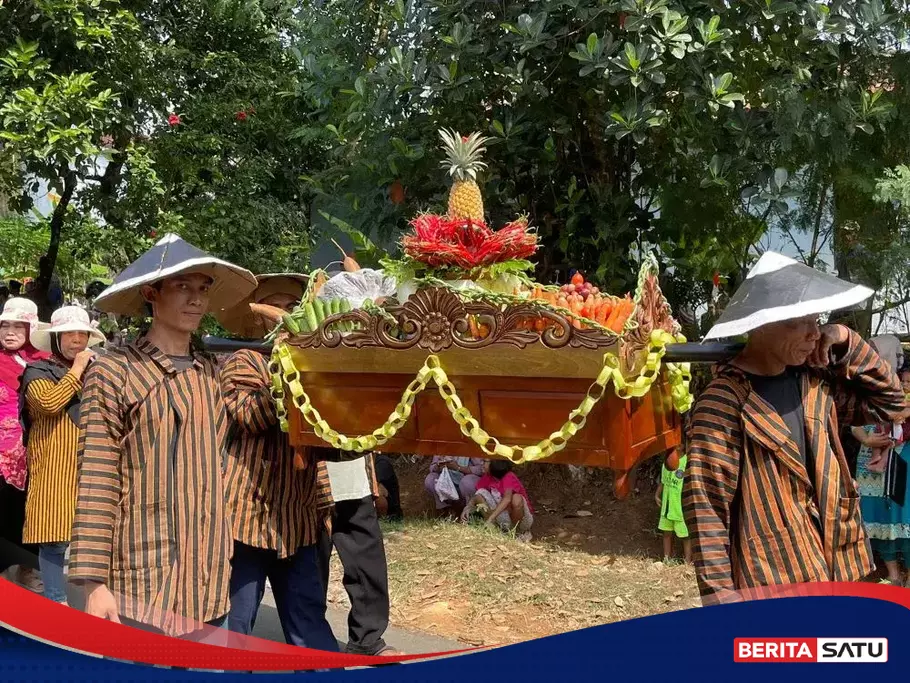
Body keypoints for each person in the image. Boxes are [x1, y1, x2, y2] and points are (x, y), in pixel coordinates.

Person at [684, 252, 907, 604]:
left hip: (840, 565)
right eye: (797, 322)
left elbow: (893, 405)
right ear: (759, 325)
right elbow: (706, 501)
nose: (813, 333)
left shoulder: (816, 385)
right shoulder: (724, 402)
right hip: (775, 576)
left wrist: (847, 339)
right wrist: (719, 594)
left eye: (816, 320)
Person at [68, 233, 257, 640]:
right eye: (182, 286)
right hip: (142, 578)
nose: (196, 299)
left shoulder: (212, 372)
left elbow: (256, 421)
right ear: (151, 293)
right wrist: (93, 582)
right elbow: (98, 477)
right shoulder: (115, 371)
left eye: (203, 289)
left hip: (208, 579)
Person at [215, 274, 338, 651]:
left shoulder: (319, 369)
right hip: (247, 517)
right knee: (234, 624)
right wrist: (288, 371)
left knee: (308, 624)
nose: (283, 317)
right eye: (276, 310)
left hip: (298, 519)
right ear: (259, 321)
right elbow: (251, 416)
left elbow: (332, 439)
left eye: (292, 309)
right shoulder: (244, 362)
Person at [20, 306, 105, 604]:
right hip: (54, 469)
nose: (77, 340)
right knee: (54, 542)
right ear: (56, 338)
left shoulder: (94, 371)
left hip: (89, 466)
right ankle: (57, 600)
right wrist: (78, 369)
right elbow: (49, 403)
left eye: (82, 334)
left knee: (90, 541)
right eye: (69, 333)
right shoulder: (37, 371)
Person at [315, 450, 398, 656]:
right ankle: (310, 637)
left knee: (367, 561)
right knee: (311, 564)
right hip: (311, 480)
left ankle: (367, 639)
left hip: (354, 479)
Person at [0, 298, 49, 592]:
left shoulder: (45, 361)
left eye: (19, 325)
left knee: (31, 512)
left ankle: (29, 567)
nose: (10, 331)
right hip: (1, 454)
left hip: (39, 449)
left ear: (31, 328)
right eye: (4, 324)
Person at [856, 338, 910, 585]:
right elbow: (851, 422)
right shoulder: (858, 382)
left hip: (900, 454)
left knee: (902, 512)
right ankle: (893, 574)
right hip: (869, 456)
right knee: (877, 511)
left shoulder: (901, 383)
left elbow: (899, 413)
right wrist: (867, 439)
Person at [460, 460, 534, 540]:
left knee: (516, 498)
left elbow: (507, 499)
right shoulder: (487, 477)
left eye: (485, 462)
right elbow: (477, 496)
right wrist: (468, 508)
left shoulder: (508, 476)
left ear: (495, 465)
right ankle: (495, 529)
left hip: (520, 519)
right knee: (480, 493)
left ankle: (517, 532)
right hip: (501, 516)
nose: (482, 464)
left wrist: (491, 518)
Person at [655, 450, 691, 563]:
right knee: (666, 533)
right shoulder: (667, 463)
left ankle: (688, 562)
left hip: (680, 508)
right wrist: (657, 495)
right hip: (667, 506)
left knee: (685, 536)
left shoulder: (687, 462)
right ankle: (667, 560)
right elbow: (663, 481)